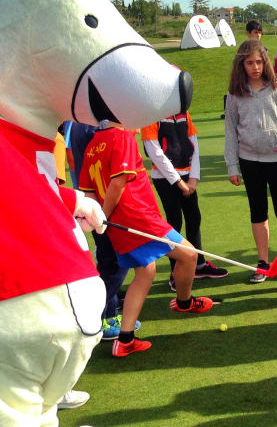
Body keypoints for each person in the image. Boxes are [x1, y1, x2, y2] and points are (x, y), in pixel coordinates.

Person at [79, 123, 214, 357]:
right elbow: (118, 182)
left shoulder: (93, 143)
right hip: (138, 218)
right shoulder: (121, 138)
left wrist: (99, 216)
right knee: (190, 254)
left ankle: (126, 339)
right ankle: (185, 302)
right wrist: (104, 215)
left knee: (146, 271)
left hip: (119, 225)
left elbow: (88, 190)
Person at [224, 39, 277, 282]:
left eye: (259, 62)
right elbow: (231, 130)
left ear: (266, 62)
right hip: (249, 160)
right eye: (249, 62)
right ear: (241, 64)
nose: (255, 67)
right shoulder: (235, 94)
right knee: (257, 212)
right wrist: (232, 165)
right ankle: (263, 262)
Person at [142, 111, 228, 289]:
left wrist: (193, 179)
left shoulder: (184, 113)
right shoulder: (151, 115)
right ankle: (176, 273)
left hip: (187, 176)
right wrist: (179, 182)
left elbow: (193, 143)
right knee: (174, 221)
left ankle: (199, 265)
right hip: (164, 177)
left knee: (194, 217)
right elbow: (154, 151)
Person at [64, 120, 131, 340]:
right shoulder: (87, 124)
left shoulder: (77, 122)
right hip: (98, 202)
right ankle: (93, 316)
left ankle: (109, 316)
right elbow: (74, 159)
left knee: (108, 261)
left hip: (92, 199)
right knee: (115, 263)